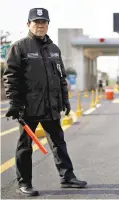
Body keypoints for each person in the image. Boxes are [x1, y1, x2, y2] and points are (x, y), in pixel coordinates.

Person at [3, 8, 87, 197]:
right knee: (25, 147)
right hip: (28, 107)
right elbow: (11, 77)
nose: (40, 25)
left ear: (48, 24)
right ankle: (24, 183)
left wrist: (64, 100)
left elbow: (60, 77)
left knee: (59, 142)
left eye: (44, 22)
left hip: (51, 106)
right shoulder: (20, 47)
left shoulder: (54, 49)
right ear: (28, 24)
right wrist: (15, 103)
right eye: (36, 22)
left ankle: (68, 177)